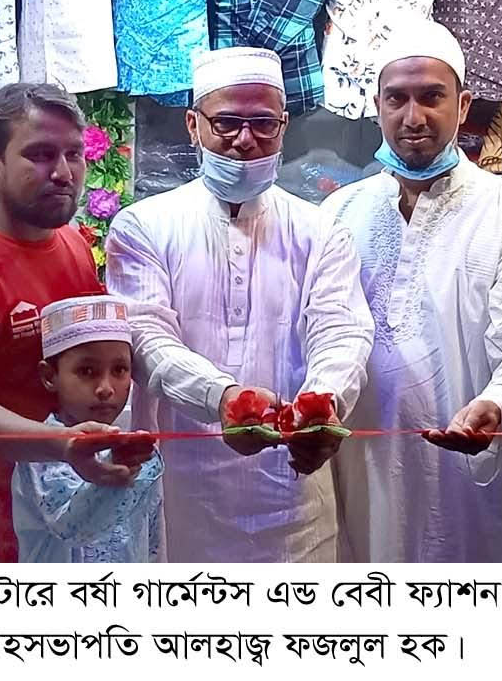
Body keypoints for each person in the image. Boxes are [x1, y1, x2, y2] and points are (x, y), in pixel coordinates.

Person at [105, 46, 374, 563]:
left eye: (263, 124)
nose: (246, 140)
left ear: (284, 126)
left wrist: (322, 402)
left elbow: (342, 332)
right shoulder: (143, 226)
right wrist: (222, 398)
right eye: (227, 122)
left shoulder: (320, 231)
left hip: (293, 494)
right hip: (184, 487)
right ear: (193, 125)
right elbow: (146, 339)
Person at [322, 20, 502, 563]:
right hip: (361, 468)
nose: (413, 117)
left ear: (463, 103)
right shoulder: (338, 214)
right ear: (376, 105)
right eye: (397, 99)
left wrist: (497, 406)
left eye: (432, 97)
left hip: (468, 476)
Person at [0, 83, 155, 563]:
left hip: (72, 510)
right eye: (41, 155)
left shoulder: (72, 244)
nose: (63, 173)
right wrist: (66, 446)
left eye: (74, 154)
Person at [11, 295, 164, 563]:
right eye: (87, 371)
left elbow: (151, 544)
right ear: (49, 376)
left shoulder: (137, 451)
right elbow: (72, 527)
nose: (106, 388)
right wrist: (117, 469)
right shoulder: (40, 452)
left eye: (119, 370)